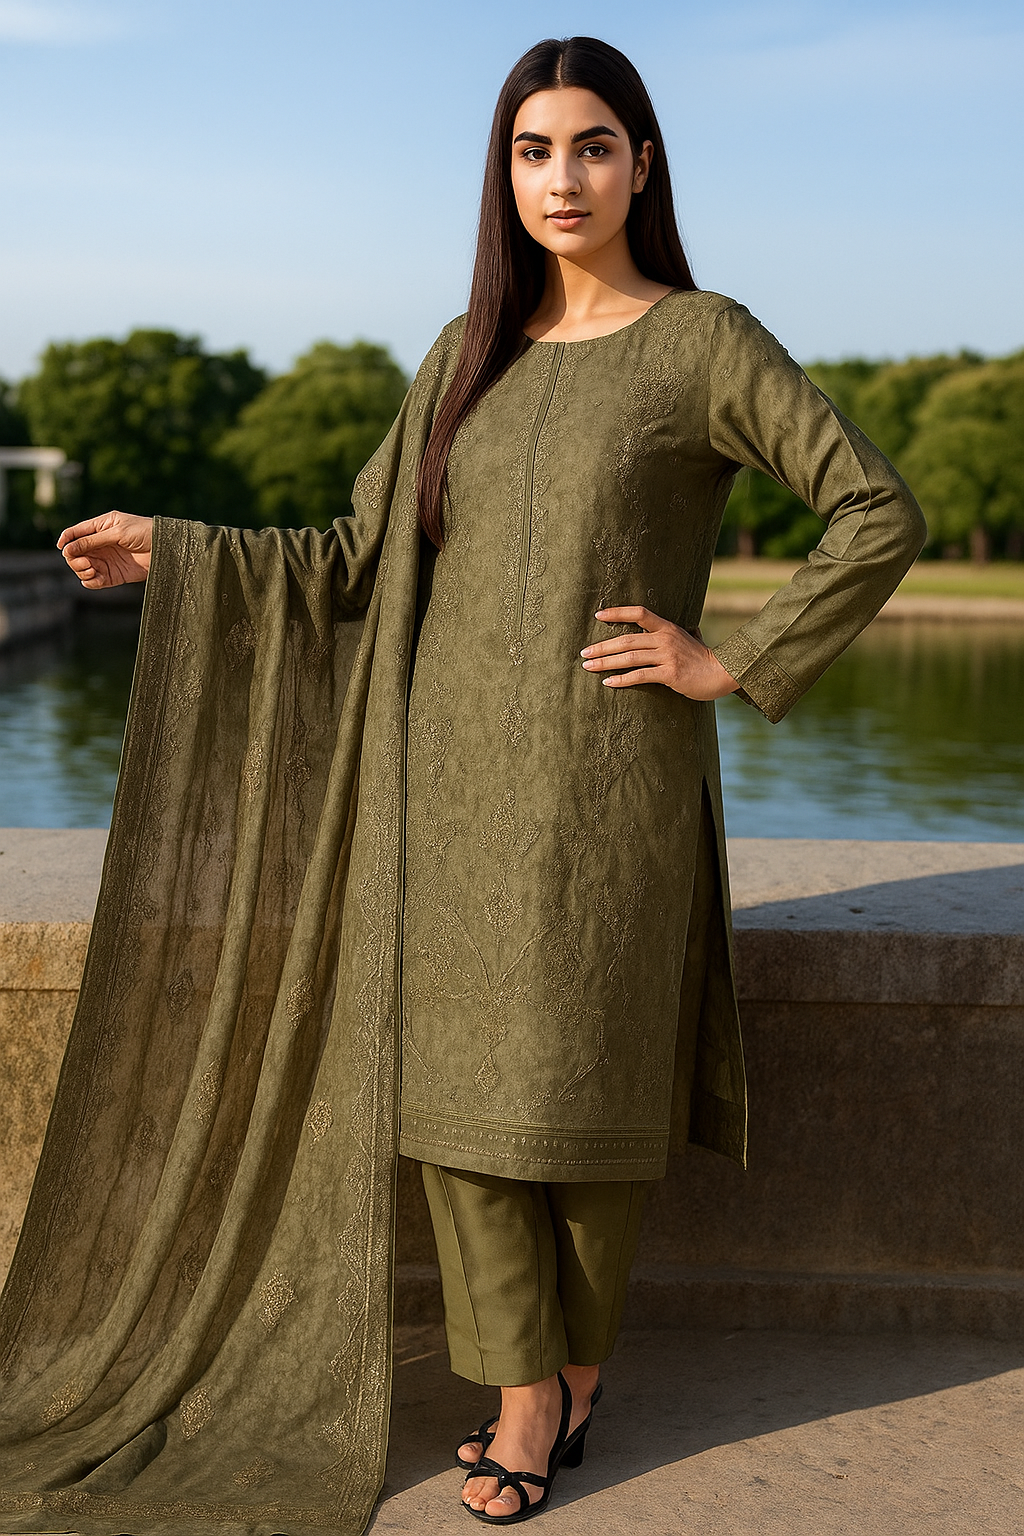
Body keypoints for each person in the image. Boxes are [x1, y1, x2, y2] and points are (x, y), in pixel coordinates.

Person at [1, 34, 925, 1536]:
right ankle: (526, 1392)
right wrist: (180, 546)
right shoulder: (464, 354)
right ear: (504, 173)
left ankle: (569, 1371)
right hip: (442, 789)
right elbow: (358, 561)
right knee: (455, 1108)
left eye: (594, 146)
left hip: (608, 790)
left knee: (584, 1092)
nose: (564, 178)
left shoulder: (704, 342)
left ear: (643, 164)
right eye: (533, 150)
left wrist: (736, 660)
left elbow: (875, 505)